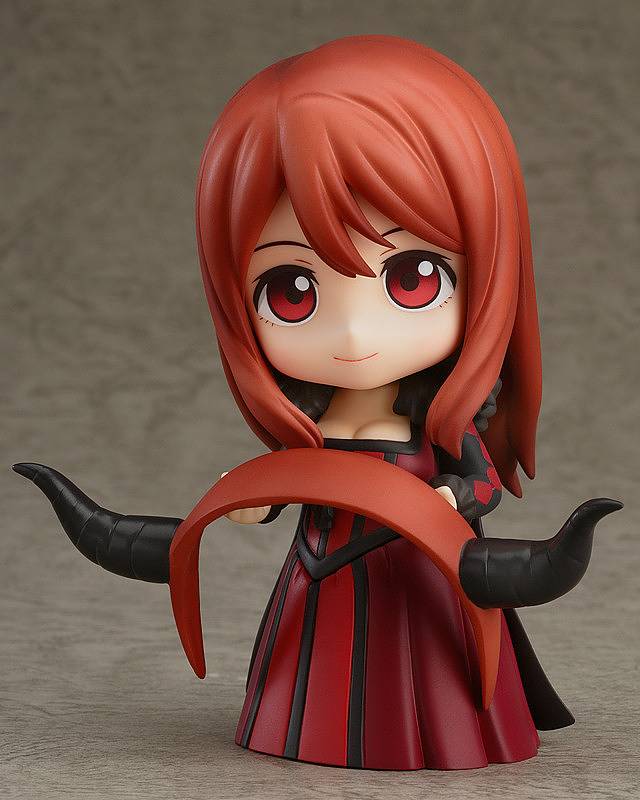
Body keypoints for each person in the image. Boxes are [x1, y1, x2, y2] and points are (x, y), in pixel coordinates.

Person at [14, 35, 621, 771]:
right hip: (318, 580)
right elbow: (289, 482)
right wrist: (256, 500)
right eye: (292, 291)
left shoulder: (436, 423)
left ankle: (430, 735)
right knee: (308, 692)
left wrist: (455, 498)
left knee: (425, 695)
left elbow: (483, 481)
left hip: (419, 584)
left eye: (412, 279)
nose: (354, 333)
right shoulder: (309, 425)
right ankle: (299, 725)